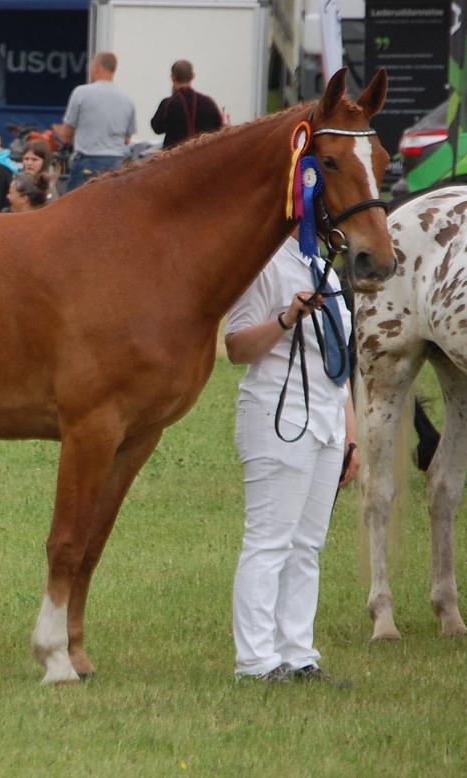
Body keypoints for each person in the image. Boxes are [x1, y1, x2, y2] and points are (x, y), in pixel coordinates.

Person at [224, 230, 357, 684]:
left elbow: (339, 360)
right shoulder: (261, 263)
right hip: (277, 410)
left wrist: (349, 431)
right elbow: (236, 347)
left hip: (327, 416)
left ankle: (299, 654)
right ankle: (256, 660)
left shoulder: (321, 264)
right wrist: (285, 318)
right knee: (269, 541)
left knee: (307, 545)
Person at [52, 51, 136, 191]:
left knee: (76, 209)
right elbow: (126, 140)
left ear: (97, 68)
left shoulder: (81, 92)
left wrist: (63, 134)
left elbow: (66, 135)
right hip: (117, 164)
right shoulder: (127, 99)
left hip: (88, 162)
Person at [149, 59, 224, 149]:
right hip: (204, 157)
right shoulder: (208, 102)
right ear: (193, 76)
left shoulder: (168, 104)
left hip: (174, 159)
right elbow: (219, 127)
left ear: (172, 78)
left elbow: (156, 128)